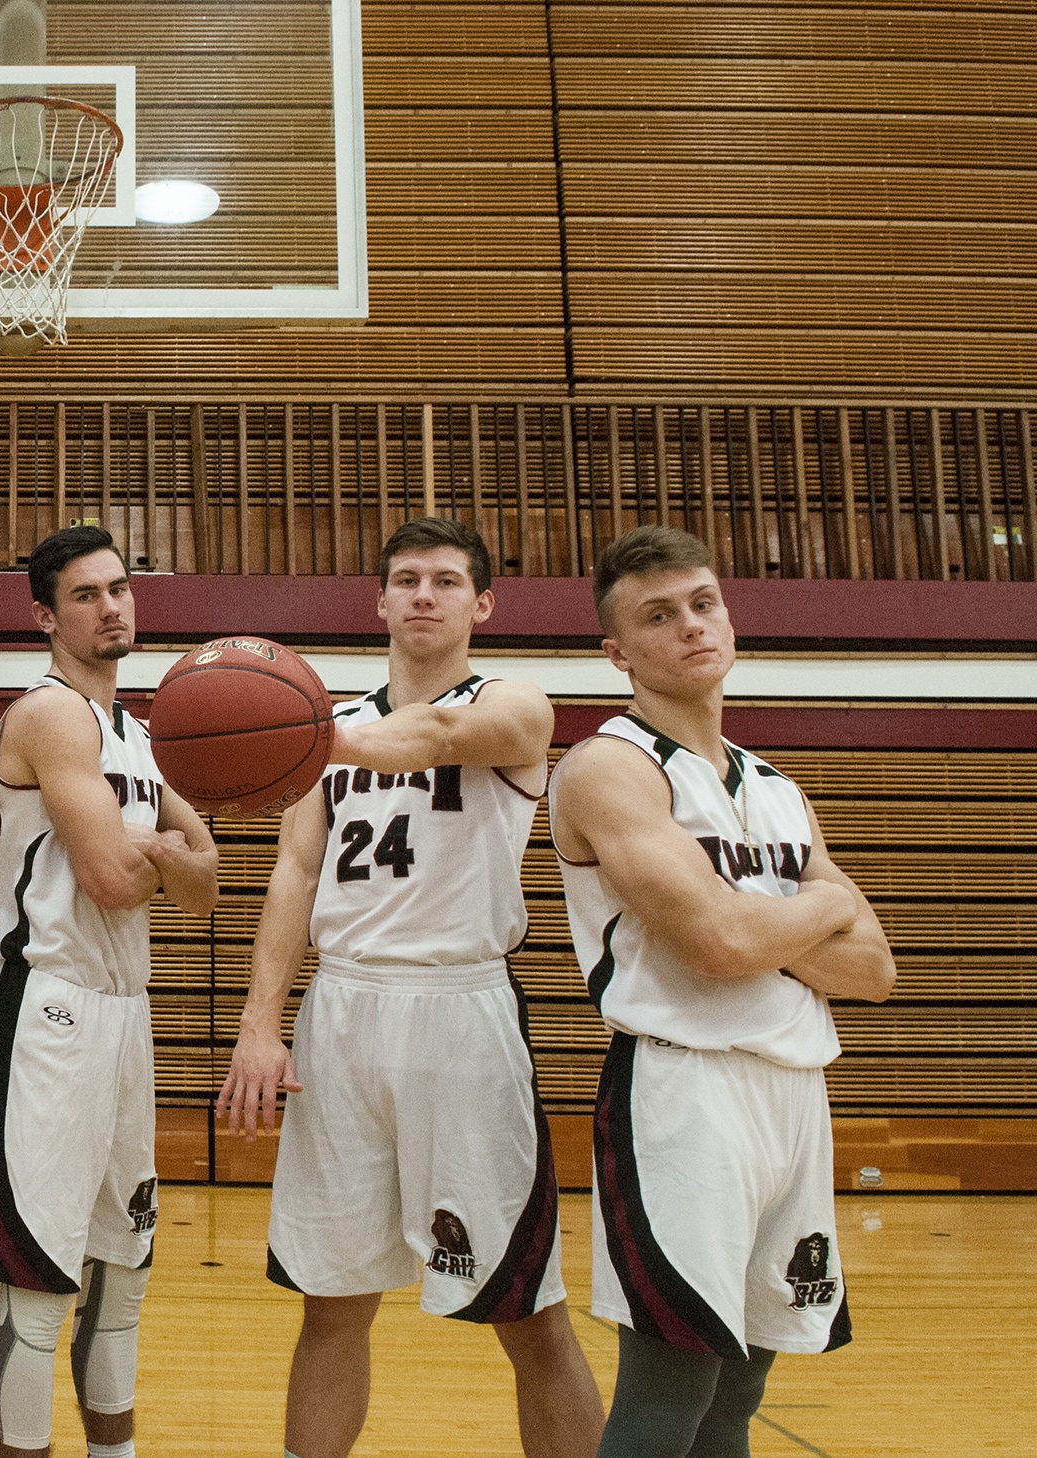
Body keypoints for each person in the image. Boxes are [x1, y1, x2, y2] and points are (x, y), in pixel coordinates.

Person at [218, 516, 604, 1458]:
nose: (423, 594)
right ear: (380, 600)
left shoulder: (515, 704)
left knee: (527, 1308)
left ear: (482, 604)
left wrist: (295, 735)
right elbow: (295, 876)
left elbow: (429, 733)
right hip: (341, 1012)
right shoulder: (326, 724)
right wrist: (260, 1025)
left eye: (444, 580)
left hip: (458, 1008)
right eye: (405, 579)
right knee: (331, 1302)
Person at [547, 526, 894, 1458]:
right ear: (618, 653)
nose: (692, 626)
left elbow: (876, 971)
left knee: (740, 1388)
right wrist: (816, 908)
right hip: (682, 1095)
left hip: (792, 1092)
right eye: (659, 615)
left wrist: (764, 928)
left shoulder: (777, 788)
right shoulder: (608, 768)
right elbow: (717, 942)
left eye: (704, 603)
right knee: (670, 1387)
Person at [0, 524, 218, 1458]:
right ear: (45, 616)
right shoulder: (49, 715)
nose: (111, 606)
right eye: (85, 595)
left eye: (119, 588)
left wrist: (154, 853)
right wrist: (164, 853)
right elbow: (123, 882)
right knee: (40, 1296)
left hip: (126, 1015)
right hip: (51, 1007)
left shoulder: (141, 734)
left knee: (123, 1282)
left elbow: (206, 890)